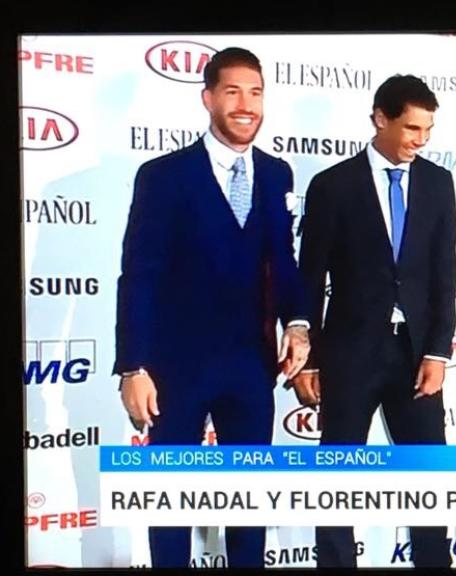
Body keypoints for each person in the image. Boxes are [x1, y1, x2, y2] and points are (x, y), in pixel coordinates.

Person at [113, 47, 310, 568]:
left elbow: (283, 262)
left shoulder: (276, 173)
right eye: (233, 91)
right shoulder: (164, 175)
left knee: (248, 505)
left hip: (251, 366)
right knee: (172, 504)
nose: (247, 104)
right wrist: (133, 366)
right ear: (208, 99)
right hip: (175, 368)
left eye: (256, 92)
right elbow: (139, 274)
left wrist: (298, 322)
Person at [292, 74, 456, 568]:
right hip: (349, 353)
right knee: (339, 475)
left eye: (427, 130)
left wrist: (437, 350)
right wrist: (309, 360)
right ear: (380, 119)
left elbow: (444, 271)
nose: (420, 141)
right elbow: (310, 274)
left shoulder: (438, 182)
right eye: (411, 128)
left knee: (427, 473)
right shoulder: (332, 185)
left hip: (416, 353)